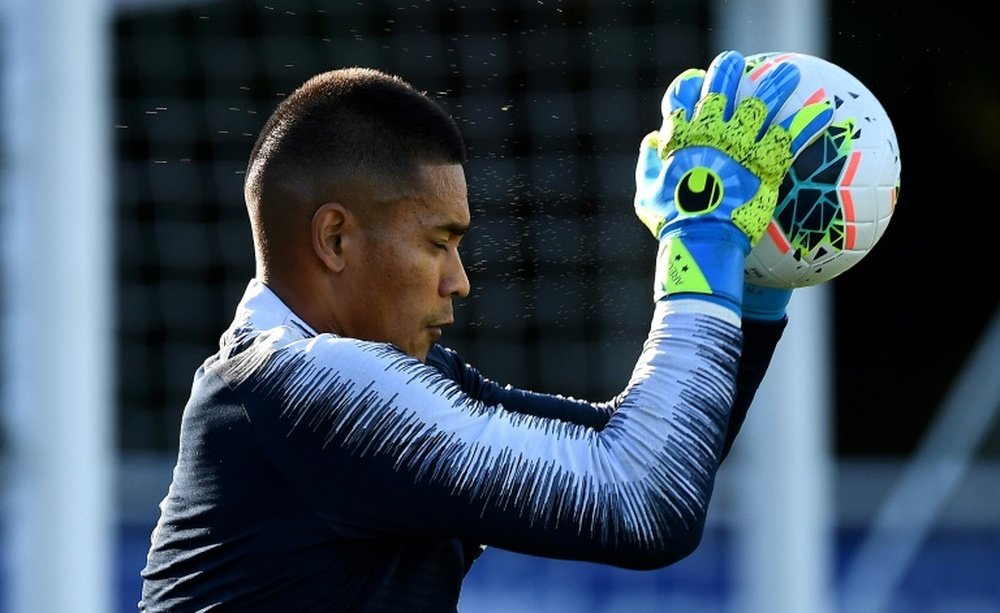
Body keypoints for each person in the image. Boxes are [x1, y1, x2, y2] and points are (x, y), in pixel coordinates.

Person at [139, 51, 833, 612]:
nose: (459, 280)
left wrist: (748, 285)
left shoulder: (331, 389)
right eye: (439, 241)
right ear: (335, 238)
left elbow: (657, 451)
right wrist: (700, 243)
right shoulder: (301, 387)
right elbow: (644, 497)